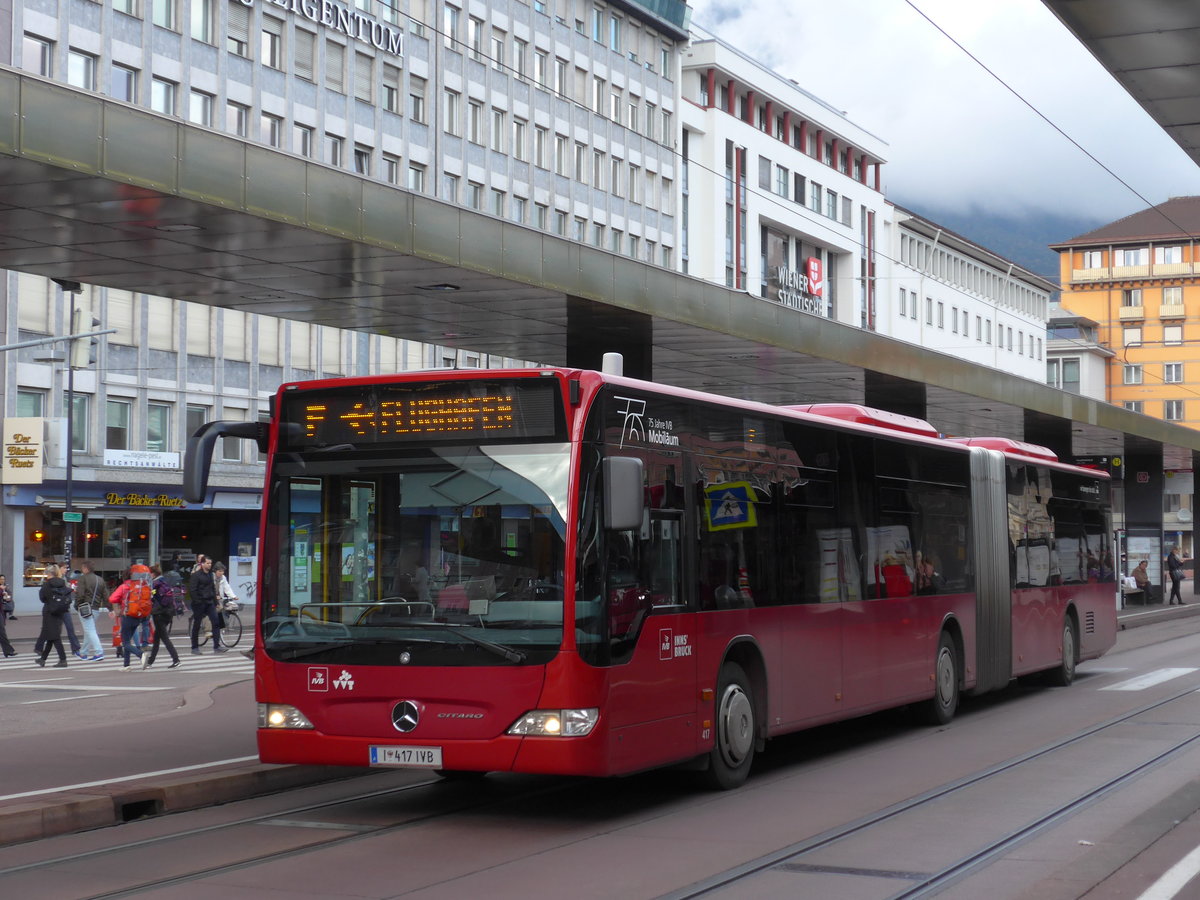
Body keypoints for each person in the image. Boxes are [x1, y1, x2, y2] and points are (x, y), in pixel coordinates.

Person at [108, 564, 153, 670]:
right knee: (127, 639)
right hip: (138, 616)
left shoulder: (124, 586)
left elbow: (112, 599)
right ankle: (126, 665)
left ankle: (141, 654)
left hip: (127, 616)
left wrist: (120, 602)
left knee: (125, 642)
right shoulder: (141, 586)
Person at [188, 555, 226, 655]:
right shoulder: (196, 575)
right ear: (202, 563)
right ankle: (194, 647)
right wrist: (197, 601)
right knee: (197, 624)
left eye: (210, 563)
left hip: (209, 602)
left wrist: (216, 602)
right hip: (200, 603)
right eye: (208, 563)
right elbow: (192, 590)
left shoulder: (210, 575)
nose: (209, 565)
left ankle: (216, 646)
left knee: (216, 622)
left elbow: (212, 588)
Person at [146, 564, 181, 669]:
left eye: (149, 574)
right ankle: (150, 661)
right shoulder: (164, 581)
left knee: (164, 638)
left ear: (153, 574)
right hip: (167, 613)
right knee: (157, 638)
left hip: (159, 614)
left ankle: (176, 659)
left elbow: (152, 599)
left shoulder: (155, 584)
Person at [35, 564, 70, 668]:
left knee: (54, 637)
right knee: (52, 635)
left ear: (48, 573)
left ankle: (63, 659)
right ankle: (43, 659)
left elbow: (42, 598)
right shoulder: (62, 582)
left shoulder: (47, 585)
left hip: (49, 611)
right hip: (60, 611)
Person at [73, 560, 107, 661]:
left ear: (85, 568)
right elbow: (105, 595)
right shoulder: (100, 579)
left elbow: (80, 594)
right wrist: (110, 608)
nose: (82, 570)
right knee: (89, 630)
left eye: (82, 568)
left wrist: (77, 605)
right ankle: (83, 653)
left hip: (85, 608)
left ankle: (99, 652)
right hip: (96, 608)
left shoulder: (83, 578)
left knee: (90, 630)